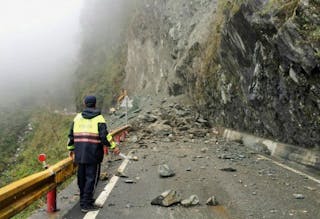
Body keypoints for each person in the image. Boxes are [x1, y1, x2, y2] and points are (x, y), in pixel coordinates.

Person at [67, 95, 120, 213]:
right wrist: (114, 147)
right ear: (95, 104)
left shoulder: (77, 117)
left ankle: (84, 200)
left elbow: (71, 135)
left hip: (80, 154)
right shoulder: (99, 118)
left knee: (82, 178)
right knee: (92, 179)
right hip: (93, 154)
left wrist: (71, 149)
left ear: (85, 104)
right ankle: (86, 204)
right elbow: (104, 137)